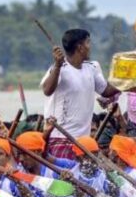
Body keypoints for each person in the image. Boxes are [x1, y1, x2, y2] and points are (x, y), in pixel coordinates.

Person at [40, 28, 118, 159]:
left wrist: (129, 81)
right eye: (88, 43)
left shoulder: (91, 67)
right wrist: (57, 66)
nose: (90, 47)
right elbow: (47, 90)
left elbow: (106, 91)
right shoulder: (60, 68)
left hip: (83, 141)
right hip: (60, 138)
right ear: (80, 47)